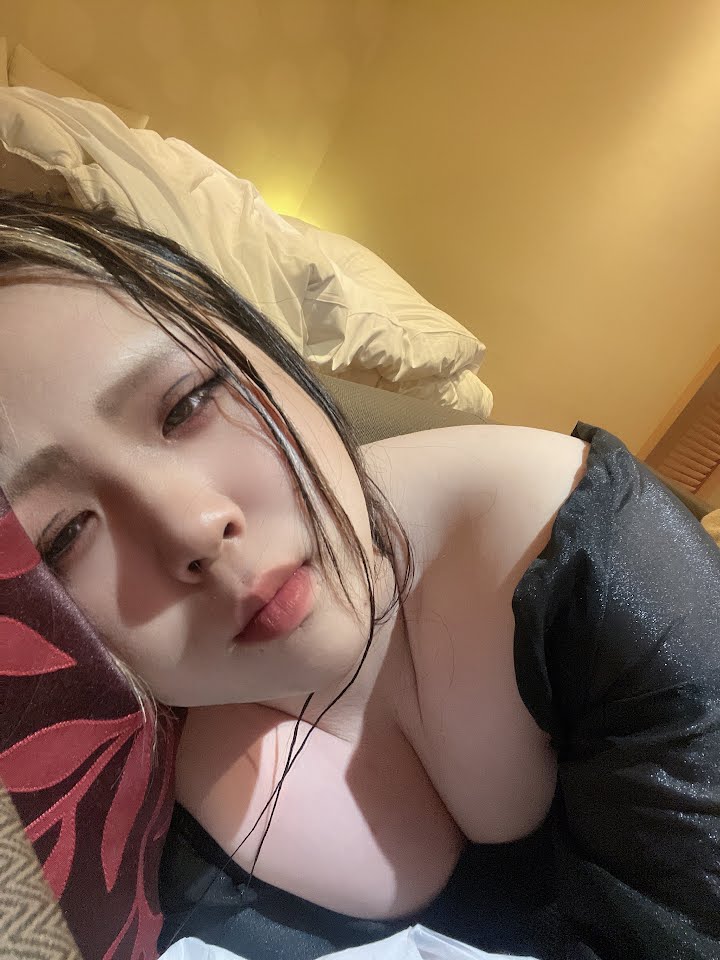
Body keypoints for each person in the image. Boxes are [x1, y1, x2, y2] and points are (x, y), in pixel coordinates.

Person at [0, 194, 718, 960]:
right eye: (66, 535)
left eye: (188, 404)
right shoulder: (163, 786)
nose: (195, 528)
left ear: (265, 348)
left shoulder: (599, 565)